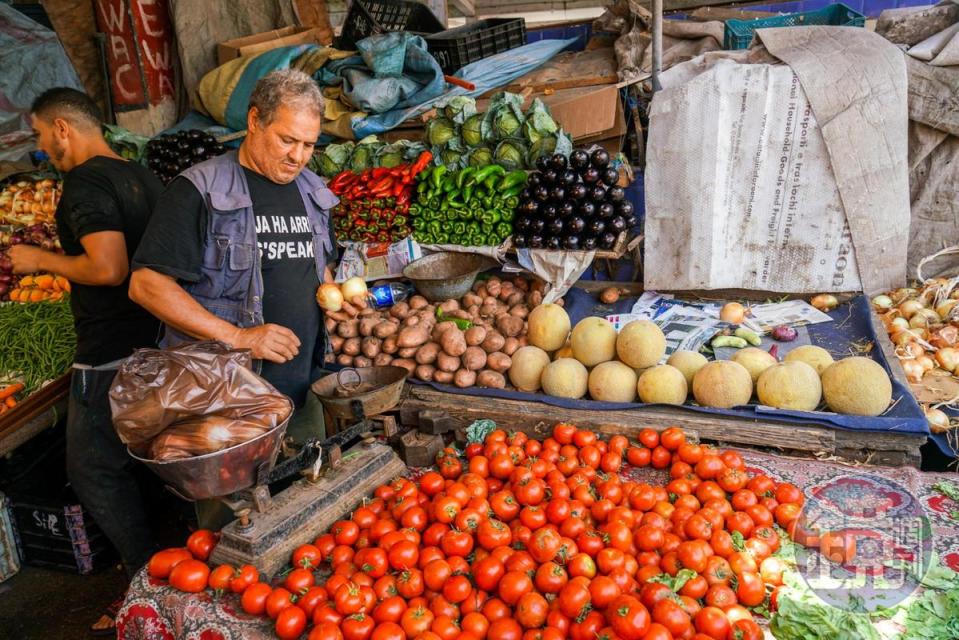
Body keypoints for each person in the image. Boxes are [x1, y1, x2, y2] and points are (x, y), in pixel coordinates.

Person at [9, 87, 162, 634]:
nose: (41, 145)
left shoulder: (85, 183)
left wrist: (37, 259)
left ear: (63, 128)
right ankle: (168, 566)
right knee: (147, 460)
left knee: (93, 469)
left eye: (40, 133)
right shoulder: (141, 175)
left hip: (109, 352)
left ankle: (150, 581)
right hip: (157, 343)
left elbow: (107, 268)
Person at [129, 69, 338, 447]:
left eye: (309, 145)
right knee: (235, 503)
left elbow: (315, 265)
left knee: (307, 494)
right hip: (224, 399)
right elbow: (146, 286)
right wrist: (239, 337)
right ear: (254, 121)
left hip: (302, 392)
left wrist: (334, 294)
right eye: (288, 140)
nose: (298, 157)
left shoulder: (312, 189)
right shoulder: (199, 190)